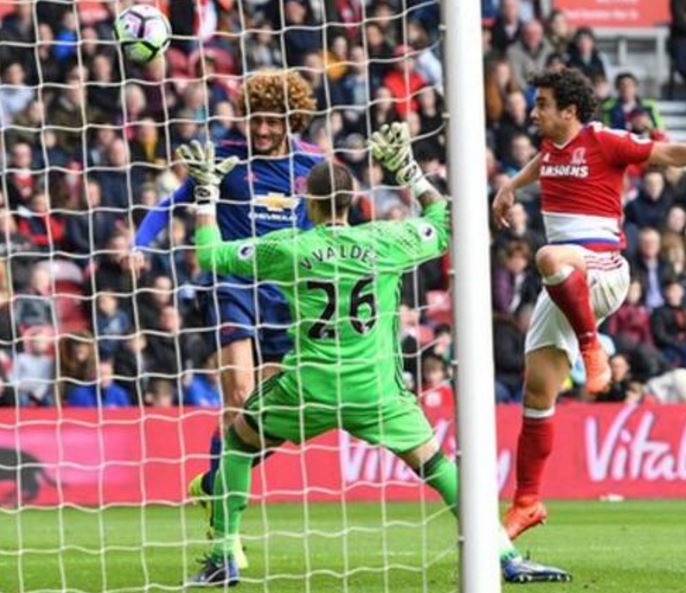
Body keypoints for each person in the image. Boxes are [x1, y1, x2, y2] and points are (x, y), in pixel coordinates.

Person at [186, 126, 569, 585]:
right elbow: (447, 224)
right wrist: (409, 171)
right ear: (352, 201)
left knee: (238, 443)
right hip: (376, 387)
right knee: (437, 465)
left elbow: (208, 255)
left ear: (308, 203)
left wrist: (206, 192)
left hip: (309, 387)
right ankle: (504, 558)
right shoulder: (387, 240)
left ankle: (225, 553)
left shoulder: (288, 248)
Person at [490, 67, 686, 540]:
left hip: (602, 270)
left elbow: (669, 153)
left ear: (569, 110)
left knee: (546, 255)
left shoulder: (605, 140)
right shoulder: (550, 146)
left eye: (543, 103)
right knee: (538, 395)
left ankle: (592, 345)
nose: (535, 110)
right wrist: (509, 186)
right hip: (565, 280)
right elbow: (543, 163)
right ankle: (527, 502)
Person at [132, 70, 322, 534]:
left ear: (292, 118)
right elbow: (170, 202)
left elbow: (327, 228)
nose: (261, 129)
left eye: (273, 121)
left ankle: (215, 482)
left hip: (287, 297)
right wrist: (140, 243)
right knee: (237, 394)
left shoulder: (313, 166)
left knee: (272, 414)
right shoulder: (222, 157)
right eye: (255, 119)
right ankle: (226, 533)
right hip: (230, 285)